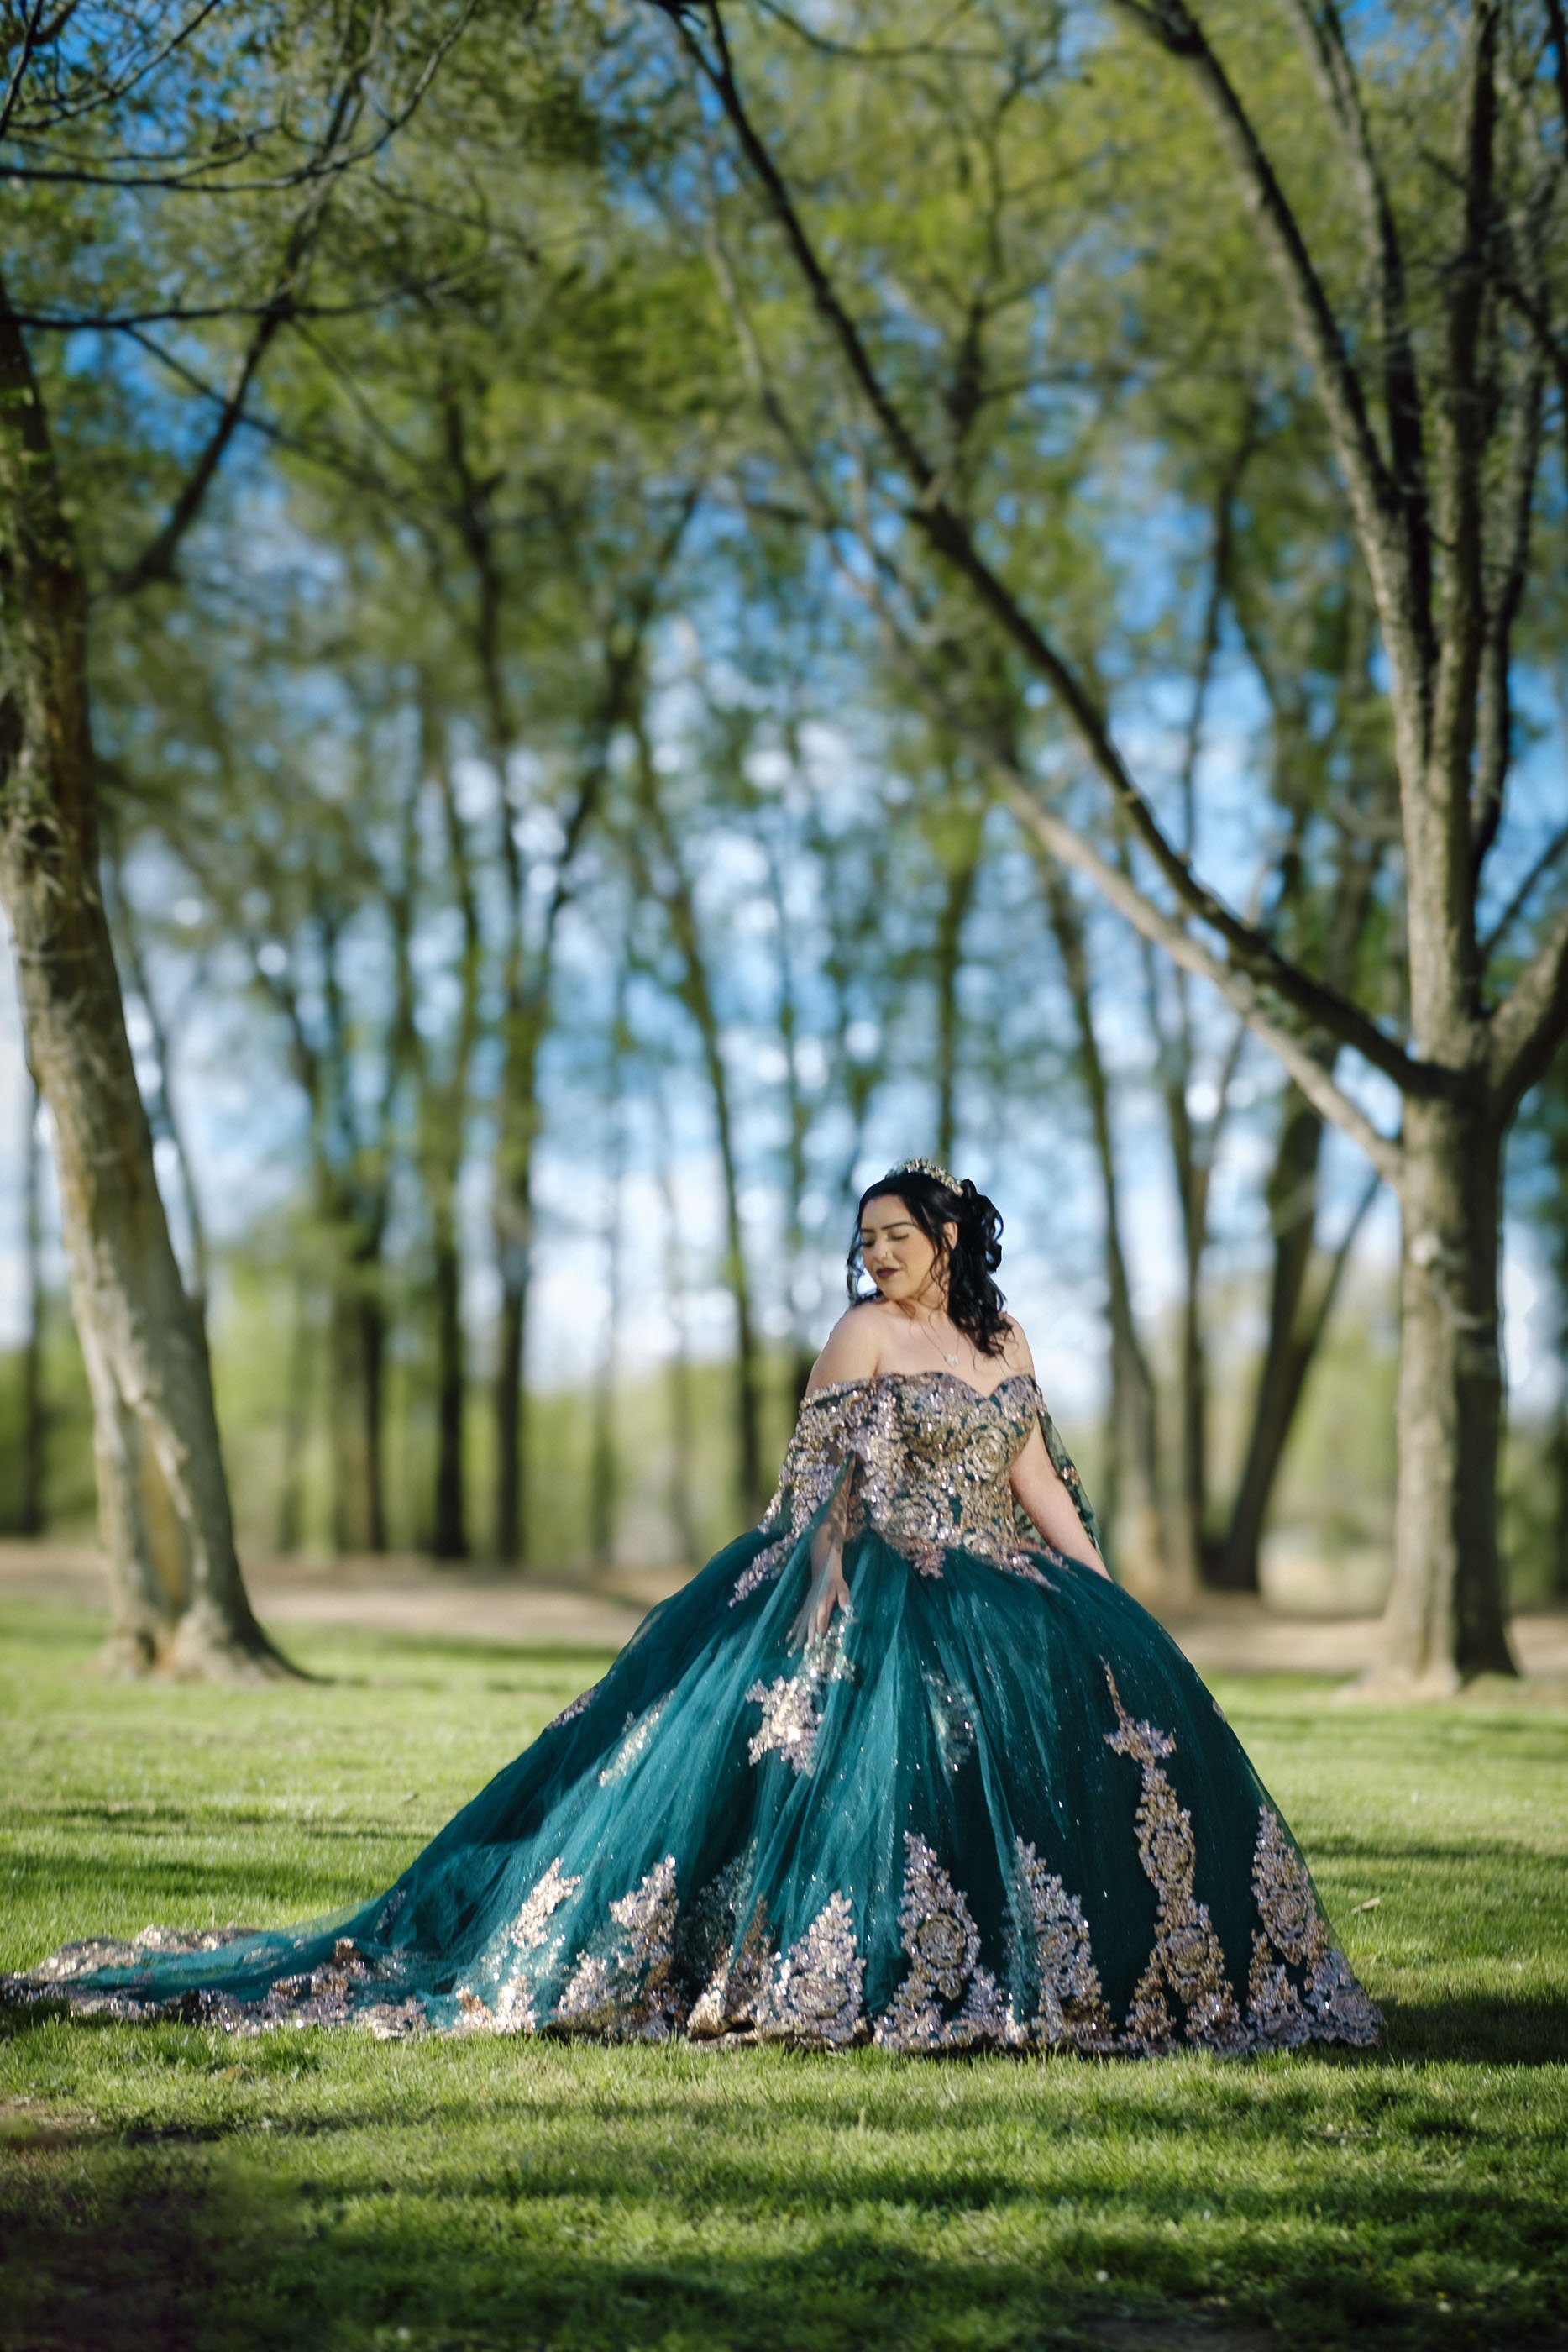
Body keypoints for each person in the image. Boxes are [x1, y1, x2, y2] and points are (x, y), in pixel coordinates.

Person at [6, 1160, 1380, 2055]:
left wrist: (1104, 1591)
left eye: (896, 1237)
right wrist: (828, 1589)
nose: (877, 1257)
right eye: (865, 1240)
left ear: (951, 1238)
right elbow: (820, 1487)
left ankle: (1073, 1981)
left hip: (999, 1580)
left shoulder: (1005, 1340)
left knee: (1085, 1738)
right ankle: (851, 1973)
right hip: (877, 1569)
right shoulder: (861, 1335)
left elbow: (1037, 1480)